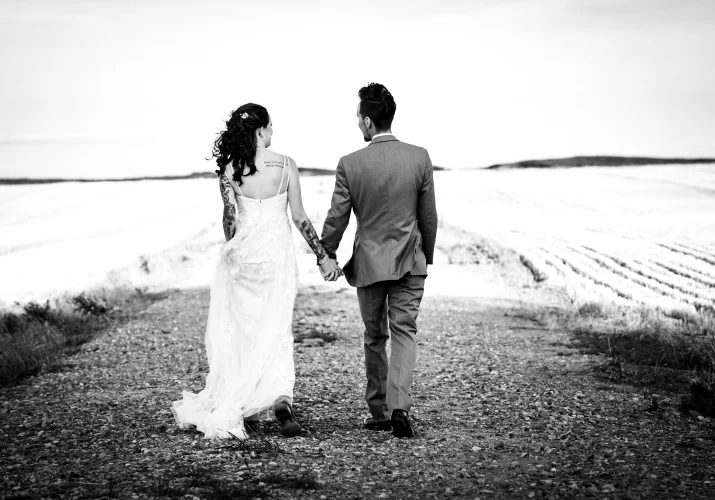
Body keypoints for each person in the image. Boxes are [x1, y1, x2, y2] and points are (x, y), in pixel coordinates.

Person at [172, 103, 341, 439]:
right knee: (277, 328)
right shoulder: (286, 165)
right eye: (271, 127)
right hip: (276, 259)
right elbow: (299, 217)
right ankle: (280, 398)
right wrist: (323, 257)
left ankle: (246, 400)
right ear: (261, 130)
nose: (273, 133)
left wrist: (231, 247)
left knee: (244, 329)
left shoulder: (230, 170)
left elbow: (230, 221)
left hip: (244, 258)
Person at [320, 83, 437, 438]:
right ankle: (400, 407)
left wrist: (326, 252)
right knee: (404, 331)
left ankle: (380, 411)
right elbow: (428, 216)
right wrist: (424, 257)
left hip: (369, 263)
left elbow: (337, 216)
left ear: (369, 122)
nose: (358, 123)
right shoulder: (420, 157)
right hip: (409, 261)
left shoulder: (350, 164)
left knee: (374, 335)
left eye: (359, 117)